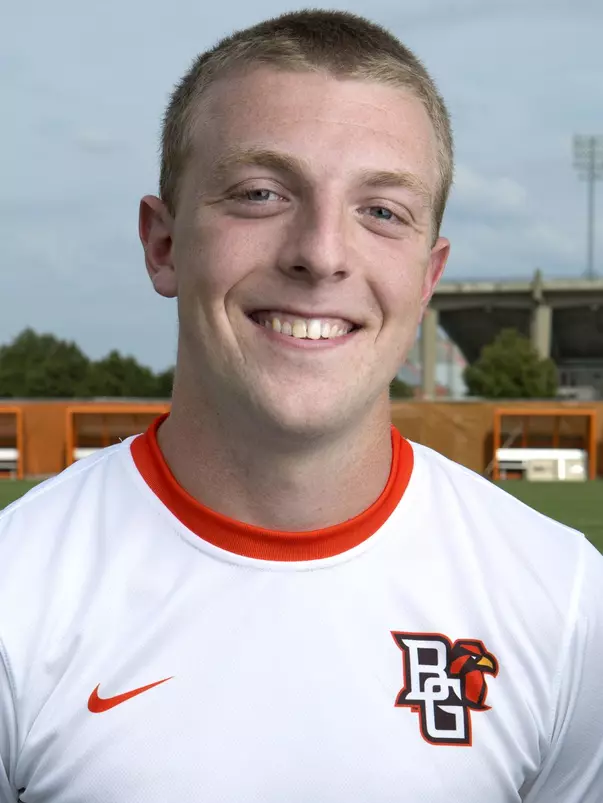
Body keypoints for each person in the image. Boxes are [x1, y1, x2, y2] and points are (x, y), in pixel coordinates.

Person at [1, 9, 602, 802]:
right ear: (163, 244)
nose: (320, 253)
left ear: (427, 278)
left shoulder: (565, 600)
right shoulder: (15, 589)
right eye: (260, 194)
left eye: (381, 211)